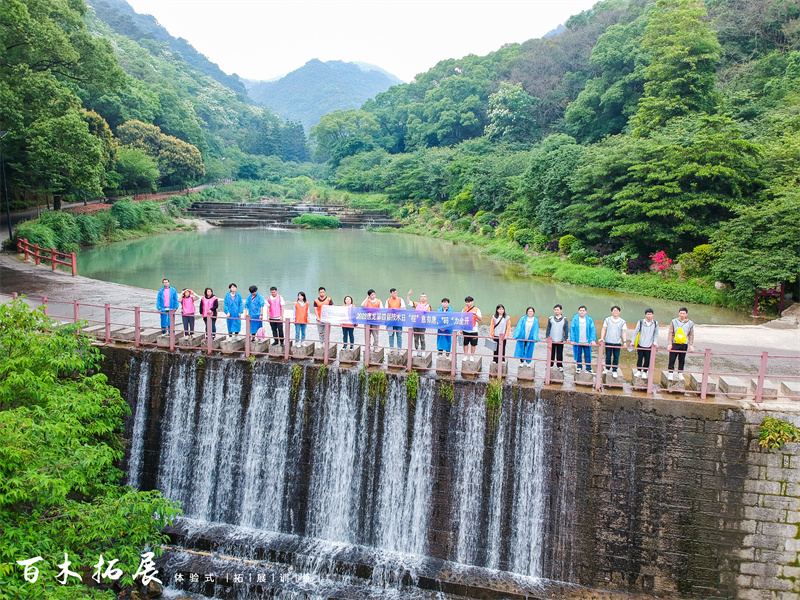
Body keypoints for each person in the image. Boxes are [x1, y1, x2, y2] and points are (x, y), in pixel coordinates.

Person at [600, 305, 628, 378]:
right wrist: (602, 338)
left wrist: (625, 342)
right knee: (608, 356)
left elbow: (624, 332)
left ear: (619, 312)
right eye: (614, 310)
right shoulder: (607, 319)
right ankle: (607, 368)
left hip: (617, 342)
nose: (615, 312)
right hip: (608, 341)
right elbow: (604, 329)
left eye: (617, 311)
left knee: (616, 356)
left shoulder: (622, 321)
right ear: (612, 311)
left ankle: (614, 370)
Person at [667, 307, 695, 379]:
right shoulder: (674, 321)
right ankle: (670, 372)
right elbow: (670, 332)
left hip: (684, 343)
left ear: (686, 314)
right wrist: (669, 343)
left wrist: (690, 345)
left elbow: (691, 334)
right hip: (675, 343)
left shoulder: (690, 323)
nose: (682, 315)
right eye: (680, 313)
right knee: (672, 358)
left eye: (683, 313)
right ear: (679, 313)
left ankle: (680, 373)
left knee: (682, 359)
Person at [632, 308, 659, 378]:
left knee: (647, 359)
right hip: (641, 343)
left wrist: (655, 342)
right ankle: (639, 370)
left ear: (653, 315)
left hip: (649, 344)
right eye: (648, 314)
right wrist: (633, 342)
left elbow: (656, 334)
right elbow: (636, 332)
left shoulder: (655, 323)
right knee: (640, 358)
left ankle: (645, 371)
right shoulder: (641, 322)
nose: (649, 316)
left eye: (650, 314)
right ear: (645, 315)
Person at [570, 305, 597, 373]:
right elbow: (572, 330)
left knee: (587, 355)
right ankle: (579, 366)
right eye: (580, 310)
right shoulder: (575, 319)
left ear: (586, 311)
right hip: (578, 341)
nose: (582, 312)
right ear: (578, 311)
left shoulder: (589, 320)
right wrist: (572, 339)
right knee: (578, 354)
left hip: (586, 341)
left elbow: (592, 330)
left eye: (583, 311)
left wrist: (593, 340)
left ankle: (588, 368)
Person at [406, 289, 431, 355]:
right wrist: (408, 295)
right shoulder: (416, 304)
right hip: (415, 323)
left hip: (423, 324)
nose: (423, 298)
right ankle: (416, 350)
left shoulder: (428, 306)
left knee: (422, 338)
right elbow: (409, 303)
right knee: (416, 338)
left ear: (426, 298)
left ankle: (423, 350)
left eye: (424, 297)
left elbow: (429, 315)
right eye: (422, 297)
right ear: (420, 298)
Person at [546, 304, 569, 371]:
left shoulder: (564, 319)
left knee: (560, 353)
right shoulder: (550, 318)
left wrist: (565, 338)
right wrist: (547, 337)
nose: (556, 311)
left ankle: (560, 366)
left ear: (561, 310)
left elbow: (566, 329)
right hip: (552, 339)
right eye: (555, 310)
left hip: (560, 339)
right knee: (551, 353)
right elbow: (548, 328)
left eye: (558, 310)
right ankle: (550, 365)